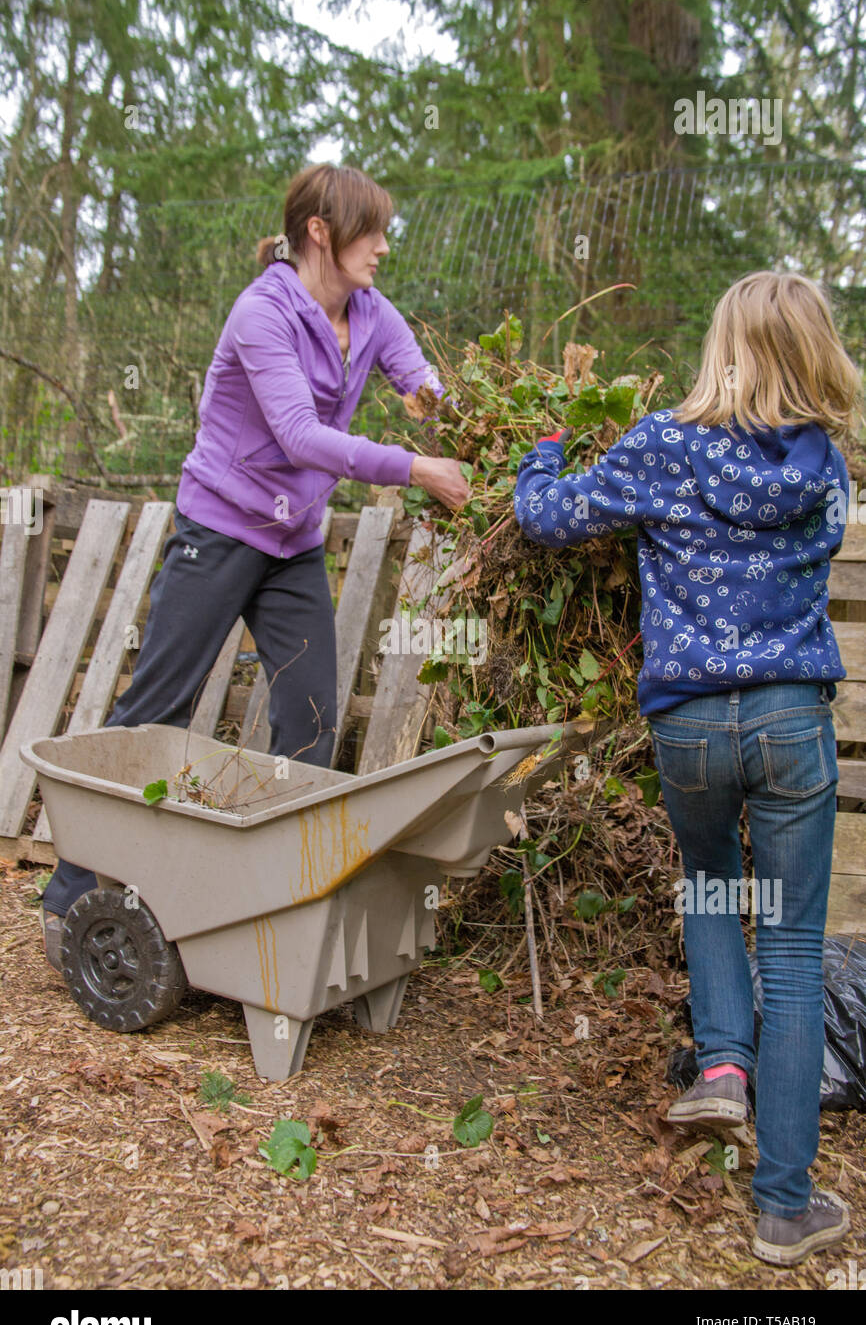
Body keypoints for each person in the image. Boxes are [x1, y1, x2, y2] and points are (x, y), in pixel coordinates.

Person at [513, 270, 862, 1267]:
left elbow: (550, 516)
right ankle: (783, 1210)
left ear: (724, 347)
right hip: (792, 721)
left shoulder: (664, 443)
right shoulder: (823, 463)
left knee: (711, 882)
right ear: (811, 355)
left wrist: (542, 452)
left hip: (690, 726)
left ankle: (719, 1065)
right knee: (792, 952)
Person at [40, 162, 469, 948]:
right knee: (156, 709)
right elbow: (301, 436)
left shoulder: (371, 313)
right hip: (219, 530)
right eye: (369, 232)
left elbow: (424, 385)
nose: (381, 247)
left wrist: (474, 426)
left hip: (294, 543)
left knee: (309, 717)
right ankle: (68, 896)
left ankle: (269, 905)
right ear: (320, 232)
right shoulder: (262, 312)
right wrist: (416, 469)